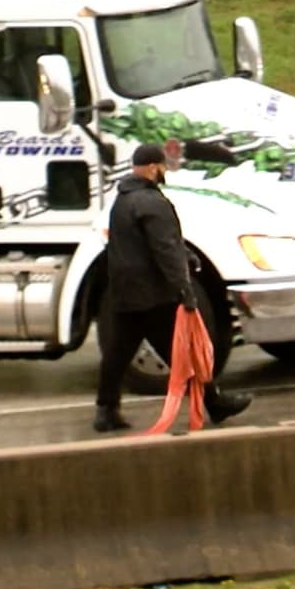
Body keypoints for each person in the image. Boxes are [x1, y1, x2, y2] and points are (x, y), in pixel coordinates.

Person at [95, 143, 252, 432]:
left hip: (125, 293)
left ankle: (106, 411)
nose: (165, 171)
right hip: (154, 296)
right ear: (154, 168)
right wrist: (185, 288)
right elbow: (165, 249)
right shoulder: (153, 203)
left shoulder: (122, 202)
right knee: (184, 354)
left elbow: (139, 245)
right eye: (163, 166)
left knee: (117, 355)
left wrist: (185, 255)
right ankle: (215, 404)